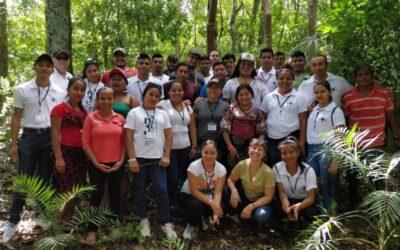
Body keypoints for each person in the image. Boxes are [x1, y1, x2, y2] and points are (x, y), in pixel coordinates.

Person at [3, 54, 66, 243]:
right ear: (35, 67)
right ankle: (12, 222)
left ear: (52, 70)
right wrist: (14, 144)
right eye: (41, 65)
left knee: (44, 178)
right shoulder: (22, 90)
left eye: (48, 66)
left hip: (49, 136)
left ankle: (40, 215)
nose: (45, 69)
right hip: (29, 136)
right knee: (23, 180)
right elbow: (16, 118)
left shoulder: (59, 91)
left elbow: (60, 120)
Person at [342, 64, 400, 208]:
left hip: (377, 141)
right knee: (353, 175)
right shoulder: (348, 96)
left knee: (376, 176)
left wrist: (396, 136)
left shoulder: (384, 93)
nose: (363, 77)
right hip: (355, 143)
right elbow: (345, 119)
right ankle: (353, 202)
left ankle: (377, 205)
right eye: (360, 75)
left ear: (372, 76)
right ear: (355, 78)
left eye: (366, 74)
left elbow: (391, 116)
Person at [125, 83, 177, 239]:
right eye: (150, 94)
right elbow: (128, 137)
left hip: (158, 159)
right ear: (144, 95)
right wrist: (132, 158)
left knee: (162, 190)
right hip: (139, 158)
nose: (153, 98)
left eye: (156, 95)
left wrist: (166, 155)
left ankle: (165, 222)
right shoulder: (134, 113)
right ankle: (143, 220)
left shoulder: (162, 114)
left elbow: (169, 136)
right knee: (139, 189)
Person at [82, 87, 125, 244]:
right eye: (103, 98)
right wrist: (96, 163)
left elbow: (124, 142)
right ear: (98, 100)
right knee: (96, 197)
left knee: (115, 195)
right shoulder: (90, 118)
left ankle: (113, 225)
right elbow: (85, 143)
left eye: (109, 98)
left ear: (114, 100)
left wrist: (121, 160)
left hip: (116, 164)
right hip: (96, 164)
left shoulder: (120, 118)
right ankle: (91, 230)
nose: (106, 101)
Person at [51, 77, 87, 221]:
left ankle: (67, 223)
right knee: (66, 190)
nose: (79, 92)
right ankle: (58, 227)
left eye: (82, 90)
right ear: (68, 90)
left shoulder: (83, 110)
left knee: (76, 190)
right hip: (65, 153)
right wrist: (59, 158)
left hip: (80, 154)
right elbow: (54, 134)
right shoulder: (60, 108)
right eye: (75, 89)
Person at [307, 81, 345, 212]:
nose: (319, 94)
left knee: (327, 180)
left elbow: (340, 135)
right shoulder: (315, 109)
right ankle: (318, 208)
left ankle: (331, 209)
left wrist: (336, 159)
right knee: (312, 179)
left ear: (329, 92)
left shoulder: (335, 111)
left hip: (327, 149)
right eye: (316, 92)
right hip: (312, 149)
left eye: (322, 91)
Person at [260, 65, 308, 167]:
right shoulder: (268, 97)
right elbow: (262, 118)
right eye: (281, 78)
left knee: (291, 165)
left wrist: (302, 143)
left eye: (288, 78)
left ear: (293, 80)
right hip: (272, 138)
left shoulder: (300, 97)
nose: (284, 81)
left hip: (291, 137)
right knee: (275, 166)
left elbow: (304, 122)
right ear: (276, 80)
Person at [158, 80, 197, 204]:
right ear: (168, 92)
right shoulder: (162, 104)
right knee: (172, 177)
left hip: (185, 146)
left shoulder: (187, 106)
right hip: (170, 148)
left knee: (181, 175)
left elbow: (192, 127)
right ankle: (170, 203)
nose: (177, 93)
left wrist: (194, 146)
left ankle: (179, 201)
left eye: (179, 90)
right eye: (173, 90)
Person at [223, 139, 275, 231]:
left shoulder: (268, 172)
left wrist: (252, 206)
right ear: (248, 150)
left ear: (264, 154)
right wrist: (234, 190)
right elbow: (230, 179)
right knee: (226, 190)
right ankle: (235, 218)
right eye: (253, 148)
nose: (256, 151)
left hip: (260, 203)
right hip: (245, 198)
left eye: (260, 149)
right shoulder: (241, 165)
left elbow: (269, 197)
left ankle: (259, 226)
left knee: (262, 215)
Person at [179, 140, 226, 239]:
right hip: (189, 195)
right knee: (196, 205)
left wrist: (215, 211)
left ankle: (203, 218)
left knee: (219, 210)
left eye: (212, 153)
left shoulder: (221, 169)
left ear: (217, 154)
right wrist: (212, 203)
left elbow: (218, 192)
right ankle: (191, 224)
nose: (209, 156)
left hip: (208, 195)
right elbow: (194, 191)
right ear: (201, 152)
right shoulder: (194, 166)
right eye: (206, 152)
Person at [273, 137, 320, 223]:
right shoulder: (276, 168)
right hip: (288, 199)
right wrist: (284, 201)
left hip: (305, 200)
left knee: (311, 212)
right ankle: (285, 222)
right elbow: (281, 192)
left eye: (291, 152)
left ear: (298, 153)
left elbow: (311, 197)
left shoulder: (308, 170)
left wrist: (299, 206)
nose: (288, 156)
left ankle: (306, 222)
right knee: (276, 206)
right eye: (284, 153)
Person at [221, 84, 266, 171]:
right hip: (234, 147)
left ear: (252, 95)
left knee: (250, 170)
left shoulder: (257, 112)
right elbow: (224, 128)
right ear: (237, 97)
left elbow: (262, 130)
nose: (244, 97)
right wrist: (230, 146)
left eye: (246, 94)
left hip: (251, 148)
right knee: (234, 170)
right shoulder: (231, 110)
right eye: (241, 95)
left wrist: (258, 146)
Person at [194, 79, 229, 163]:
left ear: (221, 91)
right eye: (210, 88)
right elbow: (193, 125)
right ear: (206, 90)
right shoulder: (198, 104)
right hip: (201, 143)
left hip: (218, 143)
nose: (213, 90)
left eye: (216, 88)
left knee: (216, 169)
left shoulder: (226, 106)